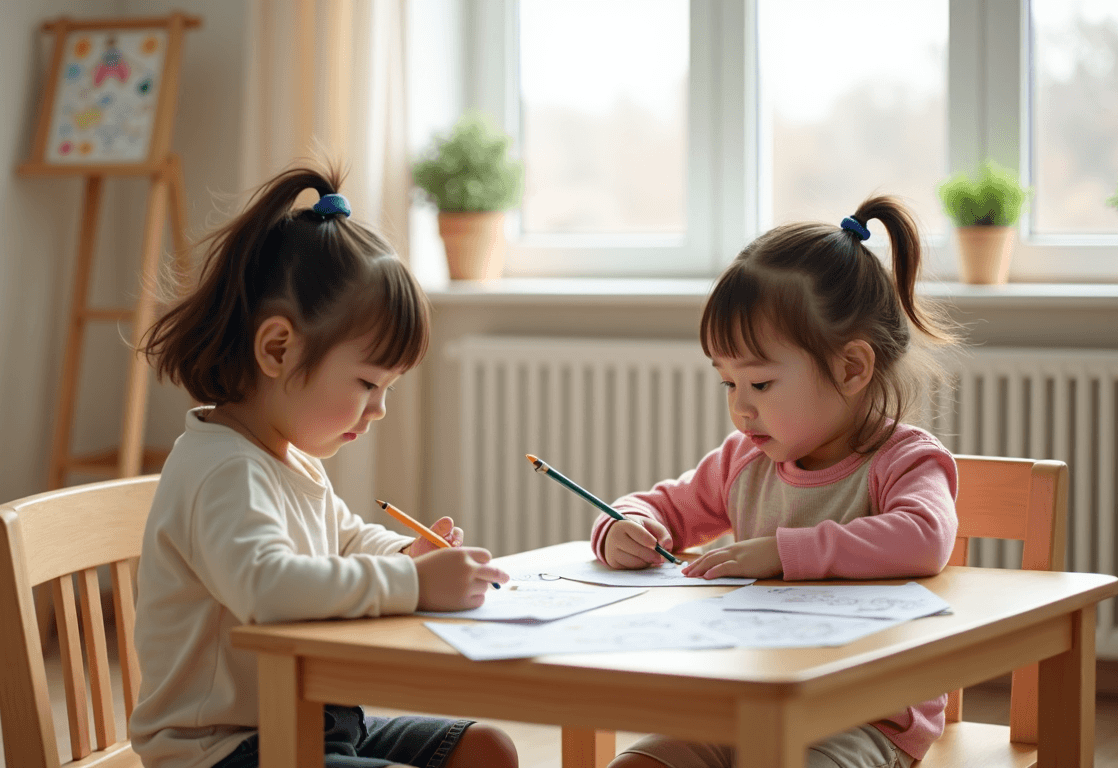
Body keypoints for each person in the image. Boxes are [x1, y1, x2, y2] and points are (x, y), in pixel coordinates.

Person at [130, 164, 516, 768]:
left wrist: (402, 556)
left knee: (486, 751)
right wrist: (414, 586)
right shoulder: (222, 469)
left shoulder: (290, 459)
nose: (379, 408)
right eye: (367, 382)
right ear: (278, 349)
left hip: (315, 722)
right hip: (224, 749)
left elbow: (344, 536)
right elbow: (269, 587)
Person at [593, 196, 960, 768]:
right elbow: (660, 504)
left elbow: (924, 537)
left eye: (760, 384)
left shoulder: (904, 461)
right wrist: (626, 526)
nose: (741, 409)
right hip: (744, 698)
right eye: (727, 385)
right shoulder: (745, 459)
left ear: (851, 368)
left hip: (865, 715)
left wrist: (782, 553)